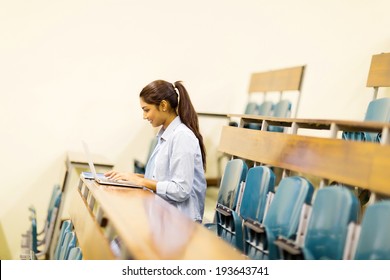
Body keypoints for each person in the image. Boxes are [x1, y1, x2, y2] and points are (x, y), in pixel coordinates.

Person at [105, 80, 207, 223]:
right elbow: (162, 177)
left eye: (146, 110)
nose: (144, 116)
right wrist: (131, 176)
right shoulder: (166, 135)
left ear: (163, 105)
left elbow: (180, 189)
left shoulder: (182, 136)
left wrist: (141, 181)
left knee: (122, 239)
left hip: (181, 222)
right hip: (165, 215)